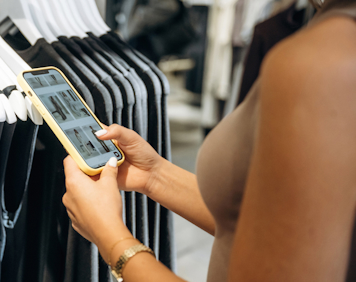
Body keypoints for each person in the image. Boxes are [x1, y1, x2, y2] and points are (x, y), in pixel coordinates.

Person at [62, 0, 356, 281]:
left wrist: (109, 236)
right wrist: (154, 175)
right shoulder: (330, 36)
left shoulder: (328, 62)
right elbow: (261, 223)